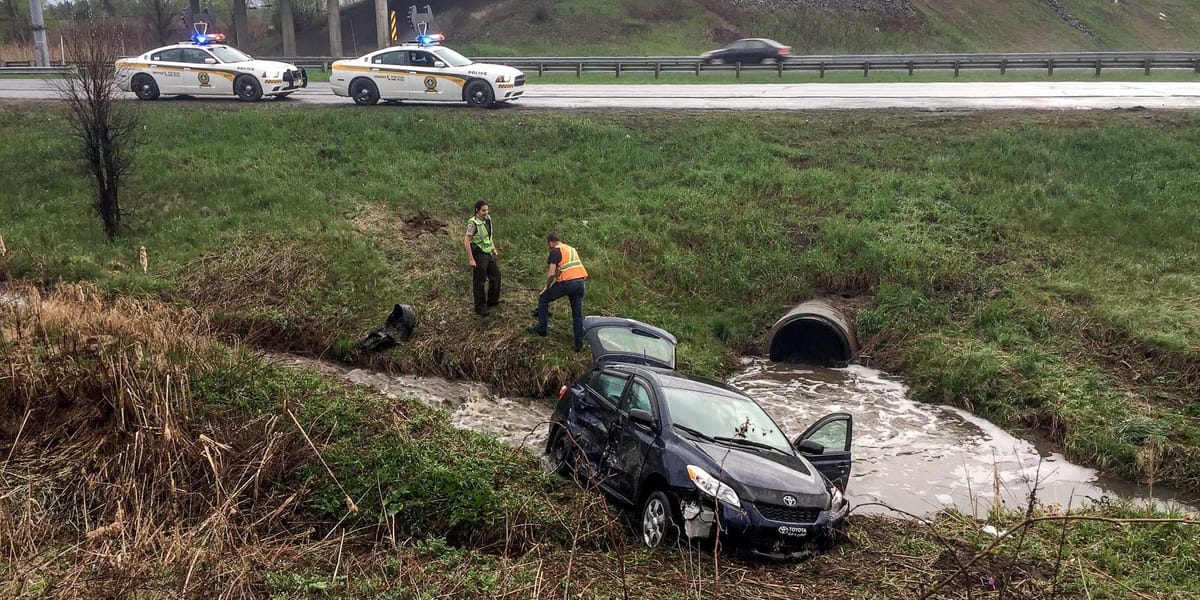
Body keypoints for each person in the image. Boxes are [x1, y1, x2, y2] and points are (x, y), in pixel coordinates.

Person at [528, 232, 588, 351]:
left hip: (567, 283)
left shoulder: (555, 251)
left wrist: (546, 286)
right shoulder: (571, 249)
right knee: (577, 314)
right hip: (580, 283)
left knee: (543, 298)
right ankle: (579, 345)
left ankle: (542, 329)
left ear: (550, 243)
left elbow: (551, 273)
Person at [463, 200, 501, 316]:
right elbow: (466, 241)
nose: (486, 212)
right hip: (479, 254)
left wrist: (493, 248)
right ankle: (479, 307)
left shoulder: (488, 219)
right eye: (483, 210)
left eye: (487, 210)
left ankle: (492, 301)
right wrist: (471, 259)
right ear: (477, 210)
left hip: (488, 252)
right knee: (479, 281)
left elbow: (489, 236)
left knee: (496, 276)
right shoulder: (473, 223)